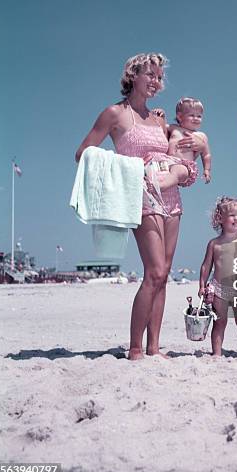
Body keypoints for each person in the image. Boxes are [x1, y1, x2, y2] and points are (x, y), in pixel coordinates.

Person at [75, 52, 205, 360]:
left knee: (165, 274)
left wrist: (195, 152)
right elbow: (83, 153)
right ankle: (135, 348)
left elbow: (177, 152)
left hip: (171, 198)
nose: (156, 82)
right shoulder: (114, 113)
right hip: (140, 195)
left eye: (160, 77)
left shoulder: (159, 119)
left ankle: (154, 347)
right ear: (133, 74)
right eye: (151, 75)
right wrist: (129, 169)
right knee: (155, 271)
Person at [198, 196, 237, 357]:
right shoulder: (215, 243)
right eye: (232, 215)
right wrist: (202, 285)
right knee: (219, 322)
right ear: (220, 218)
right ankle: (216, 353)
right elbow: (206, 266)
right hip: (219, 289)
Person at [167, 97, 212, 184]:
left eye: (199, 116)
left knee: (176, 172)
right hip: (168, 162)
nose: (196, 118)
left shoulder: (201, 136)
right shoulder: (174, 128)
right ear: (180, 117)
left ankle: (160, 186)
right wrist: (159, 114)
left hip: (184, 166)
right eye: (192, 115)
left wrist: (207, 170)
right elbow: (158, 126)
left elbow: (207, 155)